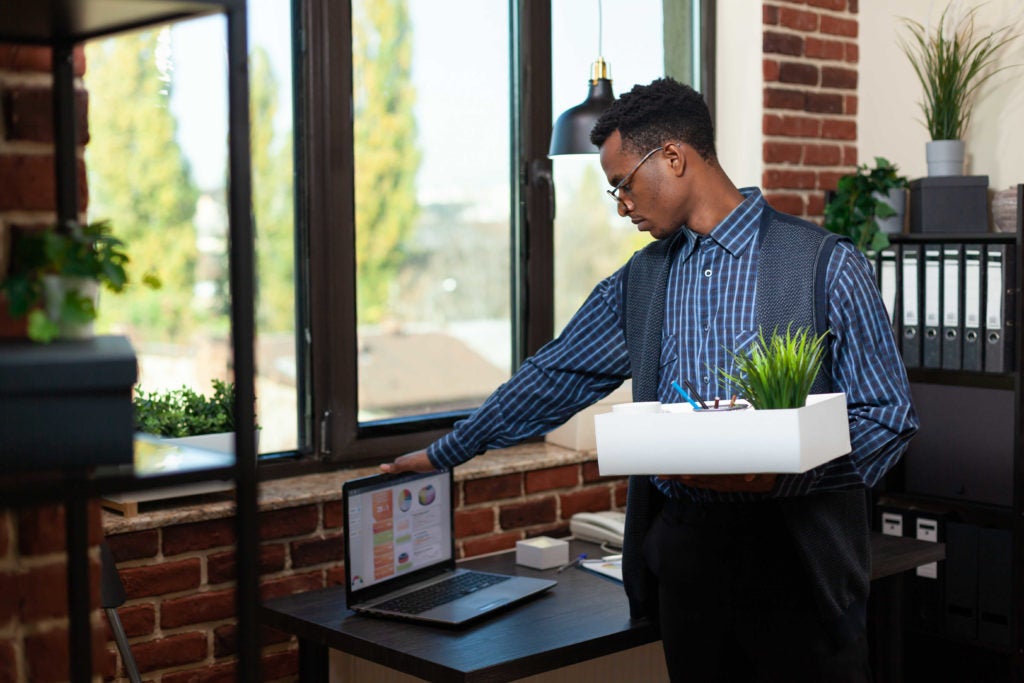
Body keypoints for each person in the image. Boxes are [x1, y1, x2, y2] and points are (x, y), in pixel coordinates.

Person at [382, 77, 917, 682]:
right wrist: (446, 451)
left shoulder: (823, 262)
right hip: (686, 562)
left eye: (623, 185)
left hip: (797, 557)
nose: (621, 206)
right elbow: (554, 374)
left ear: (673, 157)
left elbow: (886, 415)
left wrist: (791, 474)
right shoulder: (639, 282)